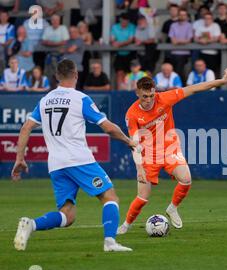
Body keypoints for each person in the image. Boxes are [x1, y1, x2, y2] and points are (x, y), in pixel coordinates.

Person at [12, 59, 136, 252]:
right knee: (110, 197)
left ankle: (31, 224)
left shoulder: (45, 100)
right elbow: (108, 127)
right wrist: (128, 141)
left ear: (56, 77)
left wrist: (20, 158)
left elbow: (26, 127)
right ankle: (110, 242)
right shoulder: (80, 99)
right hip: (79, 159)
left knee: (67, 215)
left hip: (56, 164)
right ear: (76, 75)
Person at [116, 67, 227, 235]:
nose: (148, 100)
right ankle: (126, 225)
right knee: (142, 197)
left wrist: (222, 81)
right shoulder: (132, 114)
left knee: (186, 179)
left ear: (154, 92)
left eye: (151, 96)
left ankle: (172, 208)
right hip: (148, 155)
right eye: (144, 96)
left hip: (170, 148)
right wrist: (139, 168)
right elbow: (134, 143)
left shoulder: (165, 98)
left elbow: (194, 88)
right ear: (137, 93)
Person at [111, 13, 136, 90]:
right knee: (119, 73)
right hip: (119, 54)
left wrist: (119, 44)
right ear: (120, 20)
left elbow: (131, 40)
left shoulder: (132, 26)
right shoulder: (115, 27)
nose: (125, 23)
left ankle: (128, 92)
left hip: (130, 54)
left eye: (126, 21)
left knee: (130, 74)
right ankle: (120, 92)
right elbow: (112, 39)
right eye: (123, 21)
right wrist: (114, 42)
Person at [168, 8, 193, 82]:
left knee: (179, 71)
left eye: (184, 15)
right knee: (174, 72)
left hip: (185, 53)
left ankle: (182, 87)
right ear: (178, 15)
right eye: (180, 15)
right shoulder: (173, 25)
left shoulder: (189, 25)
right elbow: (172, 41)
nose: (182, 16)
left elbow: (188, 40)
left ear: (186, 16)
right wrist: (182, 41)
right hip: (173, 53)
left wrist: (177, 41)